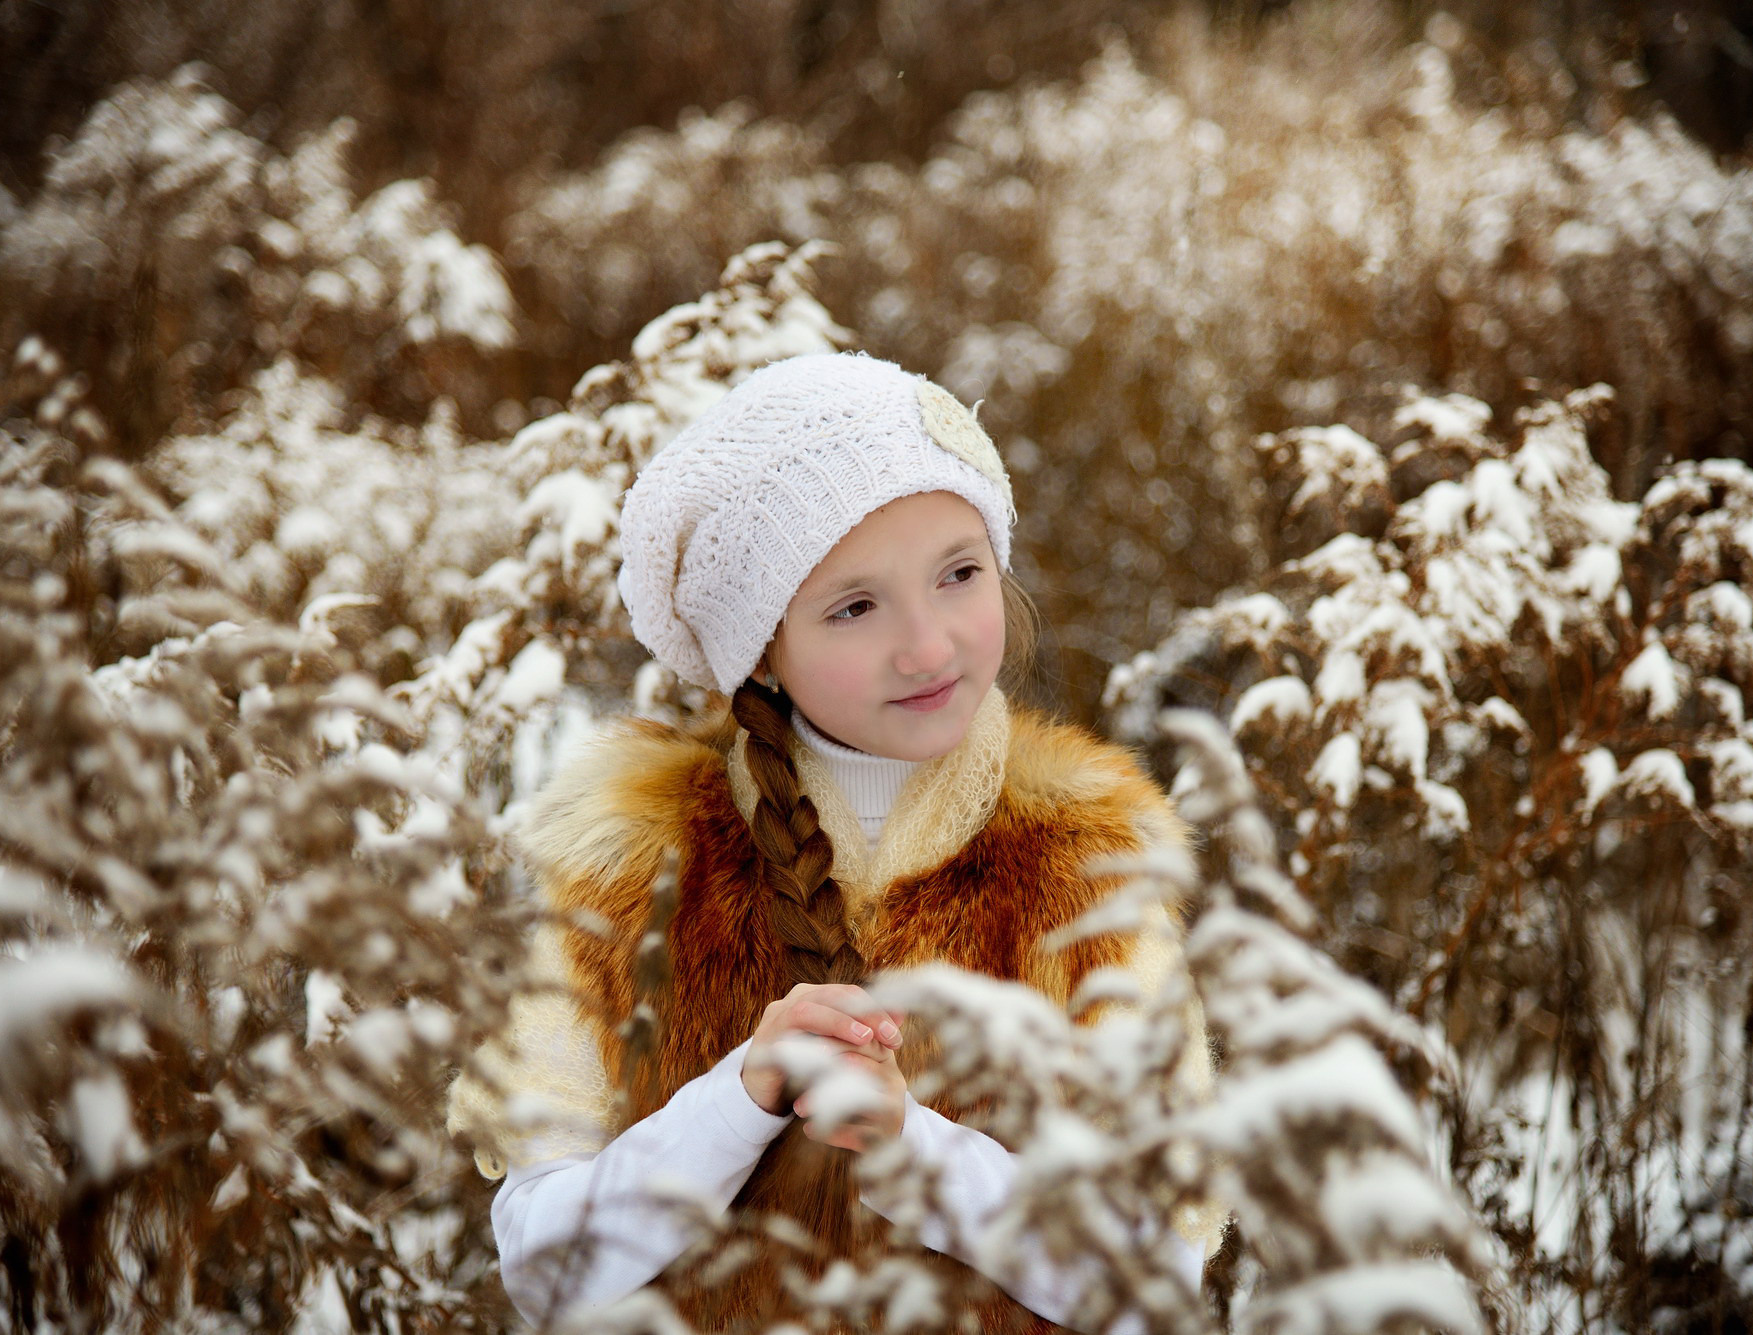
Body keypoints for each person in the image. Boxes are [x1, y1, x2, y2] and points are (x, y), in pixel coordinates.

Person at [447, 352, 1215, 1331]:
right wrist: (739, 1101)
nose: (927, 645)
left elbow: (1157, 1280)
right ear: (761, 647)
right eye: (853, 606)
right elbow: (544, 1270)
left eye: (958, 573)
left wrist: (918, 1158)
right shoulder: (629, 864)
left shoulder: (1084, 858)